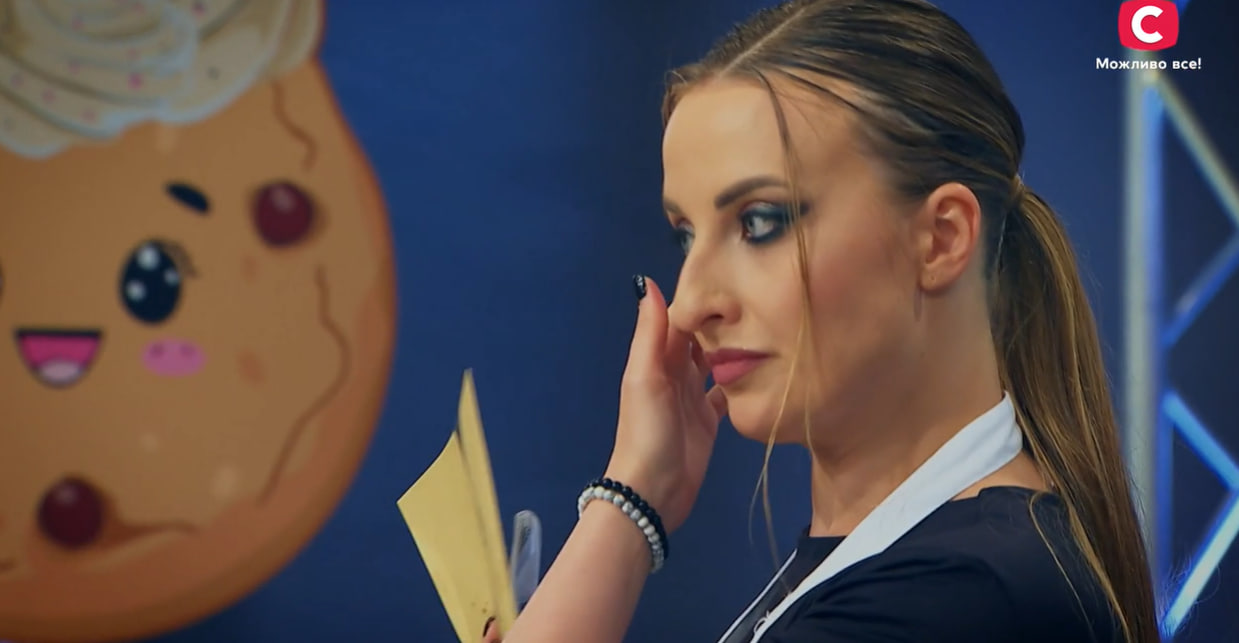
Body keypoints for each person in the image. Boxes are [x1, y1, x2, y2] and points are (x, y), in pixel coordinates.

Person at [483, 0, 1160, 641]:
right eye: (686, 235)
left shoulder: (955, 598)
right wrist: (639, 490)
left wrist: (625, 503)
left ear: (941, 239)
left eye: (759, 222)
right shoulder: (923, 564)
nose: (688, 305)